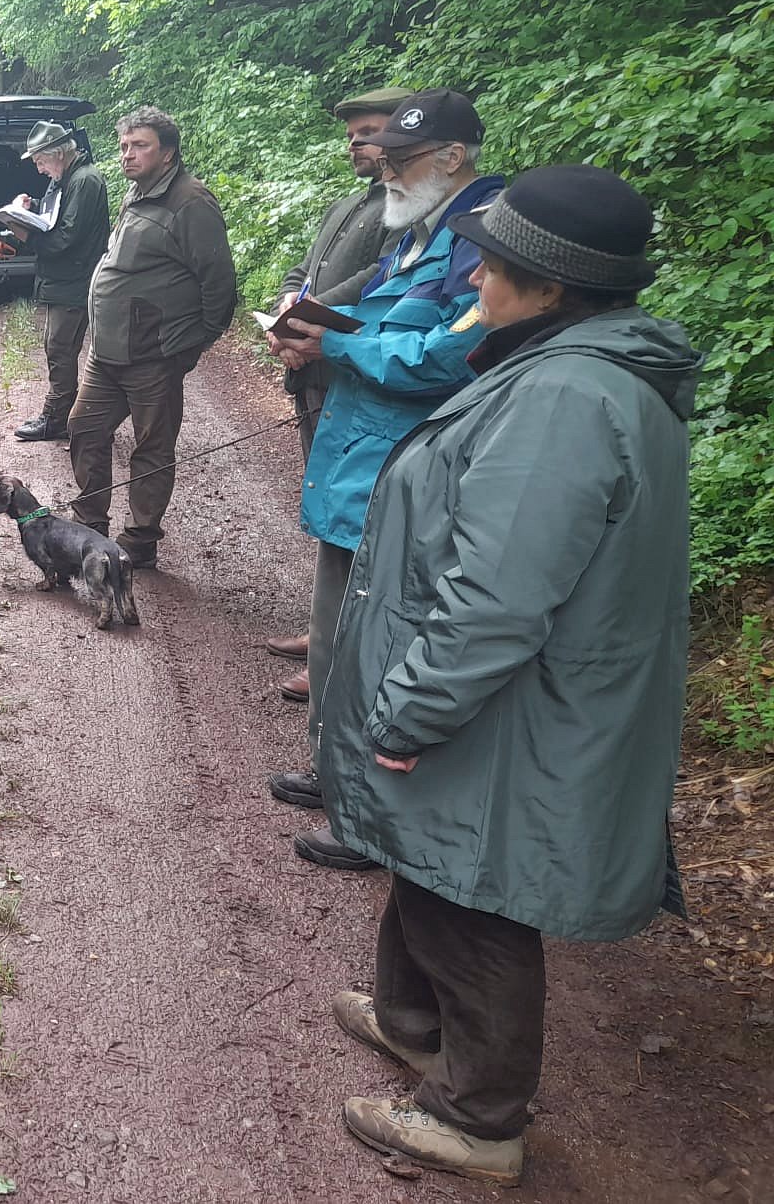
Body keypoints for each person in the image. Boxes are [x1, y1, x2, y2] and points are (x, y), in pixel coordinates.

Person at [314, 166, 697, 1186]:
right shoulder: (570, 368)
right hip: (512, 697)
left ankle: (478, 1119)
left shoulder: (566, 397)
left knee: (473, 892)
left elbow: (495, 601)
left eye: (493, 264)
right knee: (430, 856)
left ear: (553, 287)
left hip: (512, 706)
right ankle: (410, 1023)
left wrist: (408, 711)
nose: (474, 275)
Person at [263, 89, 500, 873]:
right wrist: (314, 329)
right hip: (361, 459)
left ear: (453, 157)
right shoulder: (417, 227)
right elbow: (384, 320)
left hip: (408, 467)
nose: (385, 171)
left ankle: (369, 815)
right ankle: (334, 772)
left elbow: (446, 356)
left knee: (385, 639)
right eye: (383, 158)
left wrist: (333, 347)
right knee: (338, 626)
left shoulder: (482, 238)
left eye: (400, 158)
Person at [258, 87, 409, 685]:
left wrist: (307, 316)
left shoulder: (410, 212)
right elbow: (305, 269)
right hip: (315, 368)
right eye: (351, 135)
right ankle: (325, 628)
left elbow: (378, 280)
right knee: (327, 507)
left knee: (354, 513)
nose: (356, 144)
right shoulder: (349, 204)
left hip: (353, 372)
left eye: (368, 133)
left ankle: (340, 654)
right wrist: (287, 304)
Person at [67, 105, 236, 569]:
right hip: (107, 352)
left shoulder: (191, 202)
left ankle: (139, 540)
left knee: (152, 448)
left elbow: (219, 281)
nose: (127, 154)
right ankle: (89, 526)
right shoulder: (137, 191)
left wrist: (196, 341)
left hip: (154, 354)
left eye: (139, 145)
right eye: (124, 146)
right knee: (84, 429)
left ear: (168, 153)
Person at [8, 119, 113, 442]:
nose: (39, 169)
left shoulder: (84, 181)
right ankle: (71, 416)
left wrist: (26, 234)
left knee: (60, 348)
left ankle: (58, 419)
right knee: (58, 347)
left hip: (75, 281)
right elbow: (59, 217)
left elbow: (68, 236)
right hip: (65, 280)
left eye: (41, 161)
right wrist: (32, 208)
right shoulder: (68, 178)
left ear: (58, 153)